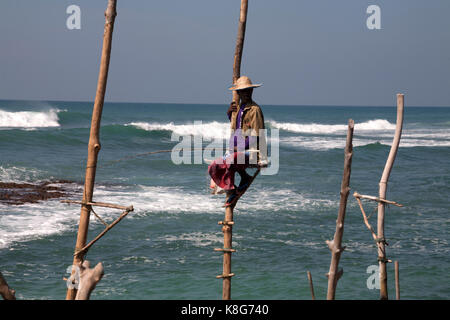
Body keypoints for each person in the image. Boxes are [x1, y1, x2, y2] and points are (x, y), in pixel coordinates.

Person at [208, 76, 266, 206]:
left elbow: (257, 135)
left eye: (248, 90)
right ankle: (237, 182)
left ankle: (232, 189)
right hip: (237, 151)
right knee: (213, 166)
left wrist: (239, 148)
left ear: (252, 91)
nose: (246, 93)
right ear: (238, 93)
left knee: (230, 159)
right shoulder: (239, 107)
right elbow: (237, 126)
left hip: (251, 152)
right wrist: (229, 113)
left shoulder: (254, 110)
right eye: (242, 91)